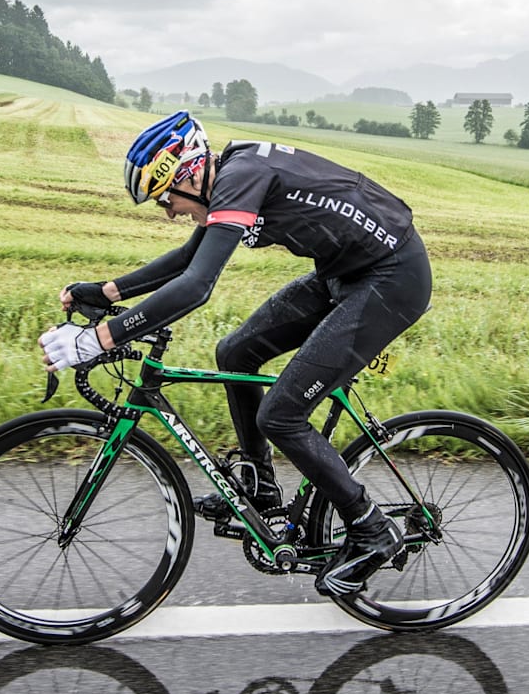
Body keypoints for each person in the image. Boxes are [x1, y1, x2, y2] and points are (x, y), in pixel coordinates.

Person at [39, 111, 433, 597]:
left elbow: (196, 286)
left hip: (392, 280)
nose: (168, 211)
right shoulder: (231, 175)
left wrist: (102, 339)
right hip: (343, 275)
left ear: (188, 173)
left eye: (167, 197)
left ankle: (372, 530)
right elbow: (188, 258)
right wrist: (106, 292)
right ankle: (261, 489)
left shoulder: (242, 176)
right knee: (235, 352)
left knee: (282, 416)